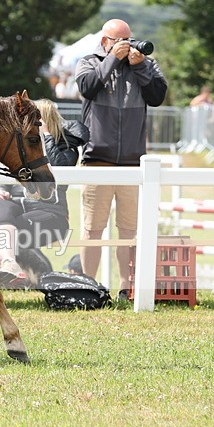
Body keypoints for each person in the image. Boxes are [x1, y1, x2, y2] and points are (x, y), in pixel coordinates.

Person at [74, 18, 168, 302]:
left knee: (129, 231)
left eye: (129, 38)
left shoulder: (146, 65)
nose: (126, 44)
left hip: (132, 163)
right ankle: (88, 286)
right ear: (105, 41)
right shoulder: (89, 62)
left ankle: (127, 288)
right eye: (119, 40)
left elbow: (157, 96)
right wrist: (111, 61)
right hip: (97, 160)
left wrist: (138, 66)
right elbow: (87, 87)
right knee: (93, 229)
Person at [0, 98, 86, 310]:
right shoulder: (21, 148)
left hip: (50, 216)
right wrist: (0, 190)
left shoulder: (66, 146)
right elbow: (7, 173)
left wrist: (45, 137)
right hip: (15, 214)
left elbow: (59, 166)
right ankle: (7, 266)